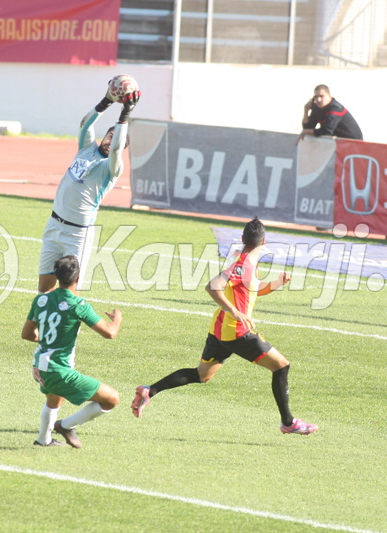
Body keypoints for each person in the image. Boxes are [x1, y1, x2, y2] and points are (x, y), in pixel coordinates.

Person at [130, 217, 318, 435]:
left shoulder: (243, 259)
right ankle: (288, 422)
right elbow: (212, 286)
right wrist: (234, 311)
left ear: (242, 238)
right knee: (281, 365)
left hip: (220, 327)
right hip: (236, 331)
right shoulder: (242, 264)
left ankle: (148, 391)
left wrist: (276, 283)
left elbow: (250, 289)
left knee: (202, 375)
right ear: (264, 241)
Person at [37, 88, 141, 293]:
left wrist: (125, 114)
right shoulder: (86, 148)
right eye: (109, 135)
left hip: (78, 234)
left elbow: (117, 149)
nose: (110, 141)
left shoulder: (112, 168)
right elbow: (85, 123)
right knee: (44, 289)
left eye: (115, 139)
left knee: (69, 291)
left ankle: (71, 326)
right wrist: (107, 101)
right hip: (53, 225)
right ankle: (39, 325)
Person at [22, 255, 123, 448]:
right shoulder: (78, 305)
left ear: (57, 277)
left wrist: (47, 340)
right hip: (58, 370)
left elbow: (27, 334)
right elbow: (109, 333)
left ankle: (43, 440)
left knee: (54, 397)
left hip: (39, 366)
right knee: (112, 399)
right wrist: (117, 319)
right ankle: (66, 426)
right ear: (78, 279)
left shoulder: (41, 300)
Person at [298, 84, 363, 142]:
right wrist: (306, 112)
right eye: (316, 97)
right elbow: (308, 128)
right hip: (340, 142)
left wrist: (305, 132)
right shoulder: (317, 108)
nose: (318, 100)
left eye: (321, 96)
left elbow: (327, 132)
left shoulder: (335, 108)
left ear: (329, 96)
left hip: (354, 142)